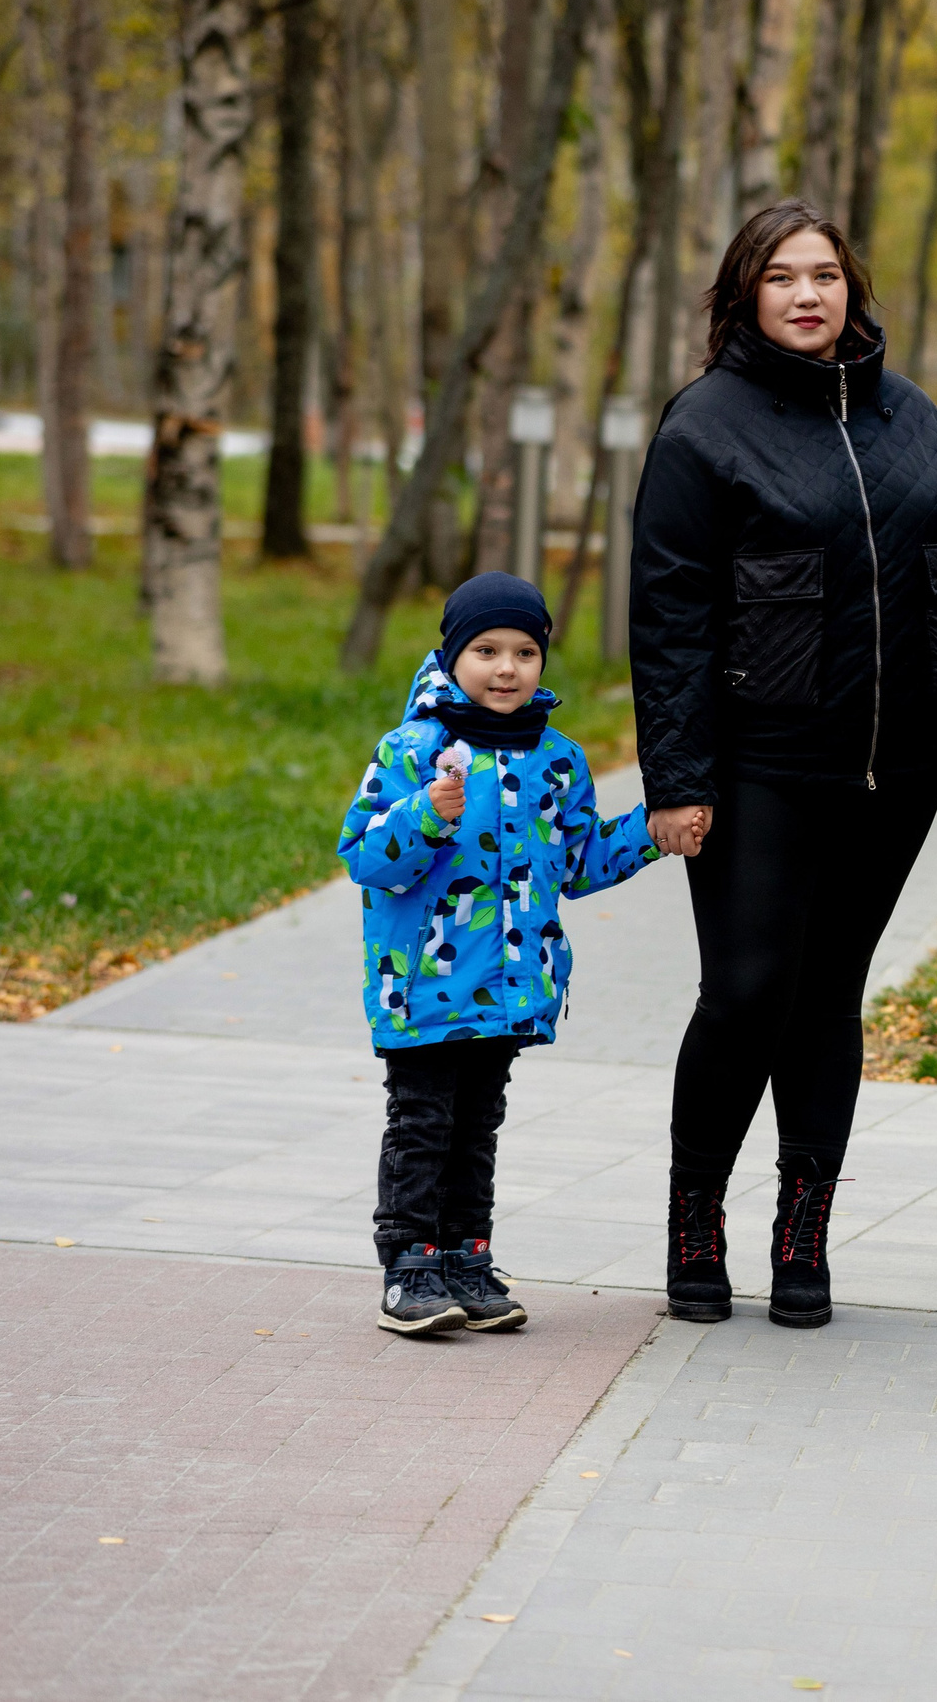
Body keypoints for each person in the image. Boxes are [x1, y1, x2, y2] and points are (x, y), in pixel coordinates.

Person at [629, 200, 937, 1331]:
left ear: (853, 290)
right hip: (758, 767)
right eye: (784, 277)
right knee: (747, 993)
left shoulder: (919, 425)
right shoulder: (705, 427)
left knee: (828, 1001)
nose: (809, 295)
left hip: (891, 775)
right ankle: (694, 1221)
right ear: (744, 293)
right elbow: (669, 617)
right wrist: (677, 779)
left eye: (827, 276)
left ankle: (804, 1233)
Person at [338, 572, 666, 1336]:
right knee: (423, 1123)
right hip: (423, 988)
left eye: (524, 650)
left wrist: (649, 833)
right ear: (453, 655)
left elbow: (579, 862)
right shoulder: (414, 749)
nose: (506, 667)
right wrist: (425, 813)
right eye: (486, 650)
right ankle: (409, 1266)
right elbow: (364, 856)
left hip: (510, 989)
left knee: (477, 1125)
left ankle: (465, 1258)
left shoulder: (557, 759)